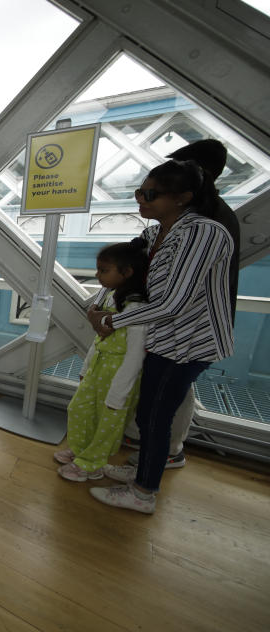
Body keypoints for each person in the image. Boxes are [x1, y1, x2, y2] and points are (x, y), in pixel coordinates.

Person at [87, 160, 234, 514]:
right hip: (162, 338)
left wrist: (113, 319)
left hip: (185, 343)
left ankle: (143, 491)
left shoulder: (203, 234)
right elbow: (124, 276)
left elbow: (174, 302)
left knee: (155, 415)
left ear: (183, 197)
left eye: (151, 194)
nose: (142, 199)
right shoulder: (155, 235)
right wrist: (95, 306)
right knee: (150, 411)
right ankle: (142, 469)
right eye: (140, 191)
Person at [120, 139, 240, 468]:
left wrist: (114, 319)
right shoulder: (199, 216)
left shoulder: (204, 223)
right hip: (173, 328)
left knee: (168, 398)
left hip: (187, 332)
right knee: (162, 397)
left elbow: (178, 297)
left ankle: (164, 455)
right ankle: (153, 454)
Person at [54, 241, 148, 482]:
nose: (98, 275)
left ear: (127, 273)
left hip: (118, 375)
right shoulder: (111, 298)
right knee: (79, 409)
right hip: (98, 367)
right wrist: (86, 367)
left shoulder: (137, 308)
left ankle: (91, 464)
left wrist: (121, 390)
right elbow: (99, 340)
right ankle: (80, 449)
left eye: (104, 270)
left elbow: (136, 353)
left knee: (108, 422)